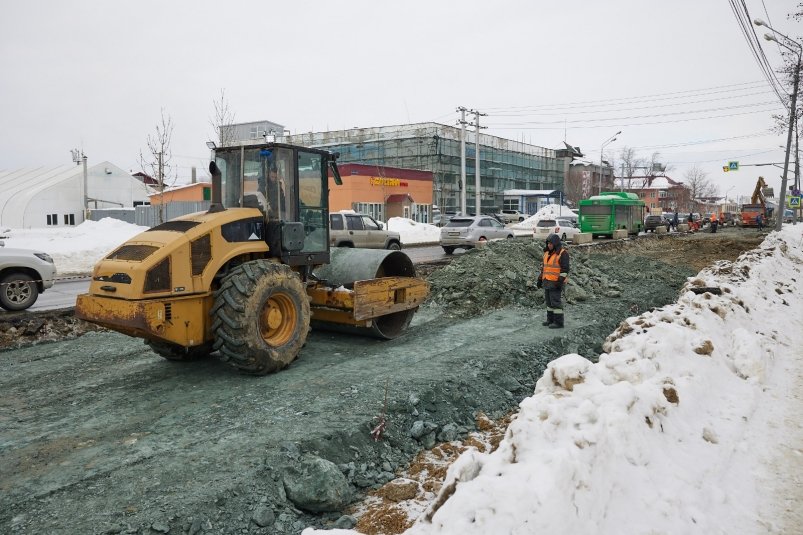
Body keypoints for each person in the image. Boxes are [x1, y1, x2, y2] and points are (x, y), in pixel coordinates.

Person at [536, 233, 570, 329]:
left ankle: (559, 323)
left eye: (551, 244)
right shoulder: (546, 253)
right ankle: (550, 320)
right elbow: (544, 269)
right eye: (548, 243)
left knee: (555, 302)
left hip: (555, 282)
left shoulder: (563, 253)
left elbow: (565, 270)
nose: (549, 245)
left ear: (555, 243)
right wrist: (539, 279)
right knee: (549, 303)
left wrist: (559, 282)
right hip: (547, 281)